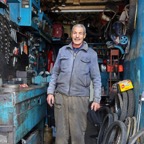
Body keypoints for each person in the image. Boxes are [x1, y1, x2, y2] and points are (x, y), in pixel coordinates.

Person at [47, 23, 102, 144]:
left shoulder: (91, 54)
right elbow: (55, 73)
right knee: (61, 135)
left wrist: (97, 99)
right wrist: (50, 92)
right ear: (71, 34)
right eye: (75, 33)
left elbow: (96, 78)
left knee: (78, 135)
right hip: (61, 97)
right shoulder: (62, 51)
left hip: (80, 99)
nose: (77, 36)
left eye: (80, 33)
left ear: (84, 35)